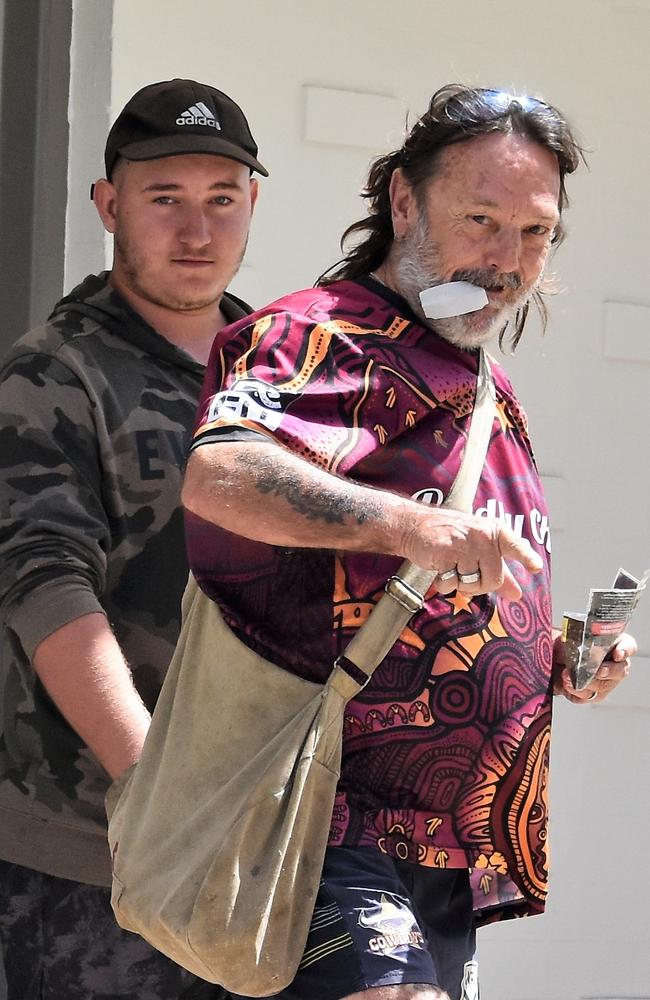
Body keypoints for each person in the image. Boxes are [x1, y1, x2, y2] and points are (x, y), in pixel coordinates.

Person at [181, 85, 636, 1000]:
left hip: (448, 845)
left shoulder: (482, 379)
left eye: (535, 233)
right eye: (479, 220)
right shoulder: (318, 334)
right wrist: (412, 524)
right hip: (317, 821)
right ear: (402, 201)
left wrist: (550, 657)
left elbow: (422, 591)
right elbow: (220, 475)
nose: (505, 261)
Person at [0, 78, 266, 999]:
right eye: (165, 200)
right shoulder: (54, 375)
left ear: (253, 205)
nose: (198, 232)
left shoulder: (288, 370)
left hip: (265, 849)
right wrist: (157, 795)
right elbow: (45, 586)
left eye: (221, 200)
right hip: (93, 860)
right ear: (110, 206)